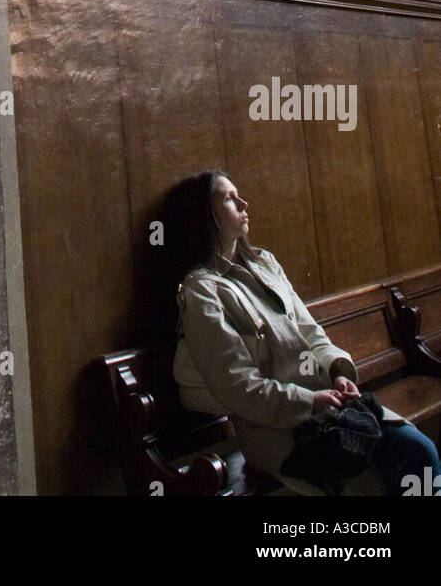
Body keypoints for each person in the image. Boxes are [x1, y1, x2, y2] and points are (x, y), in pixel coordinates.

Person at [154, 170, 441, 495]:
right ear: (204, 216)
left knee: (419, 451)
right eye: (229, 198)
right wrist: (310, 402)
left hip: (333, 405)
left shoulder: (265, 264)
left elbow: (310, 331)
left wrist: (337, 370)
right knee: (376, 479)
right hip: (280, 429)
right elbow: (238, 385)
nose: (243, 202)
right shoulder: (201, 291)